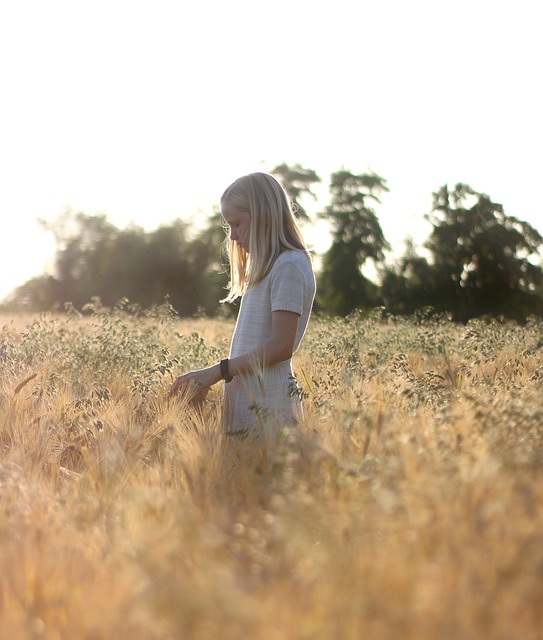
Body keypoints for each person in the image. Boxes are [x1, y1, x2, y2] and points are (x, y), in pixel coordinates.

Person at [171, 171, 316, 436]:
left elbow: (281, 347)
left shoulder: (289, 267)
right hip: (250, 405)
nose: (233, 236)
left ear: (263, 216)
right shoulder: (269, 267)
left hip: (270, 410)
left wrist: (217, 371)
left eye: (237, 224)